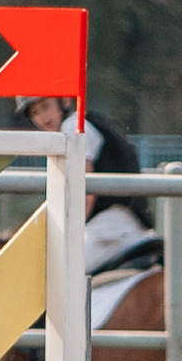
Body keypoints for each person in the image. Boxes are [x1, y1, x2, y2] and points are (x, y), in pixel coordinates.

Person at [19, 94, 158, 273]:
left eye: (45, 106)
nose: (42, 117)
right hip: (119, 223)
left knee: (54, 275)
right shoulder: (83, 123)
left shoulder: (72, 126)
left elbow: (83, 188)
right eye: (35, 112)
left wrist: (72, 228)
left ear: (66, 101)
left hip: (109, 229)